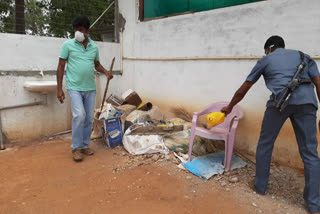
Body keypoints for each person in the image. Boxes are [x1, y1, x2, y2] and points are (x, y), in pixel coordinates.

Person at [221, 35, 320, 214]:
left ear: (269, 48)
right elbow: (318, 84)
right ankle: (314, 204)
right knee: (310, 152)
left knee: (266, 144)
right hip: (307, 103)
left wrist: (229, 108)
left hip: (280, 104)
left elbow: (243, 89)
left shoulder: (266, 59)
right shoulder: (304, 57)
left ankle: (259, 186)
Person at [56, 16, 113, 162]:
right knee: (79, 116)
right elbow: (61, 66)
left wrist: (106, 72)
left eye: (80, 30)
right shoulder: (68, 45)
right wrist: (59, 89)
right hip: (74, 87)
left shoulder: (94, 47)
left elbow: (96, 64)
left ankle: (84, 146)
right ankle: (75, 148)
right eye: (75, 30)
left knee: (88, 118)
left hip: (90, 88)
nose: (77, 33)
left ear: (88, 30)